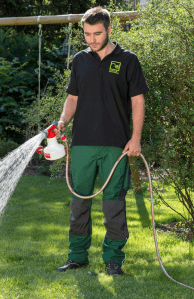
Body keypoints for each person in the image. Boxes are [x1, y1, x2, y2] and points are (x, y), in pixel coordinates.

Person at [55, 7, 149, 276]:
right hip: (82, 144)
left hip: (115, 145)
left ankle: (113, 260)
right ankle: (77, 257)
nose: (92, 39)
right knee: (79, 204)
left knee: (113, 205)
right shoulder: (80, 60)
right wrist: (63, 121)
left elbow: (138, 101)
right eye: (87, 34)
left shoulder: (128, 60)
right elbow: (72, 98)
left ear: (109, 30)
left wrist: (136, 138)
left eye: (97, 34)